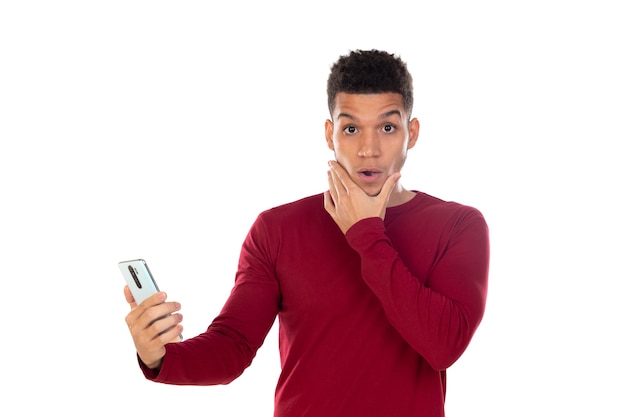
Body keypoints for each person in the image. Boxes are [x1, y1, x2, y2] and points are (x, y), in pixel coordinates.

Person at [123, 49, 490, 417]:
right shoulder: (277, 229)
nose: (368, 149)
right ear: (330, 134)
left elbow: (444, 346)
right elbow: (233, 347)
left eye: (388, 127)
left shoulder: (458, 226)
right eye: (351, 129)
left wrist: (367, 234)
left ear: (412, 133)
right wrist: (159, 357)